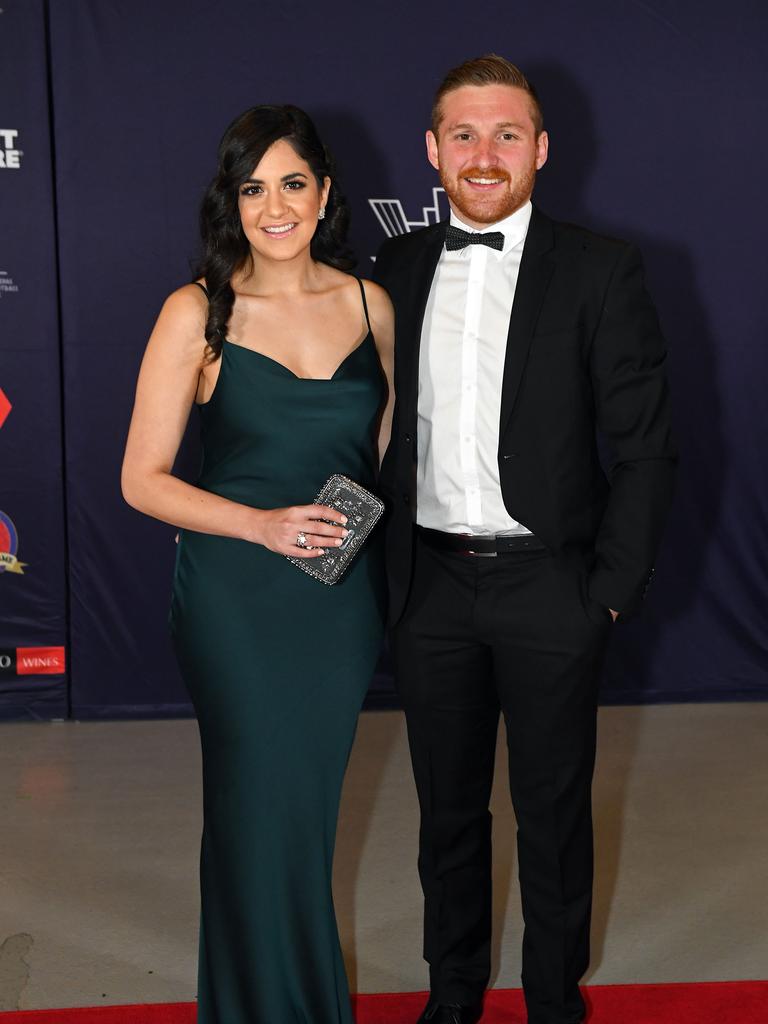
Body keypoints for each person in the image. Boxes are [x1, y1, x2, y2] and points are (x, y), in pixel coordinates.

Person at [373, 55, 676, 1024]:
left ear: (541, 149)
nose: (485, 153)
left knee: (552, 819)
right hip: (429, 589)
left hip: (553, 585)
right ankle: (452, 995)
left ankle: (555, 1001)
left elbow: (645, 447)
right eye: (463, 133)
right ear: (431, 150)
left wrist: (609, 590)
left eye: (507, 133)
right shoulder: (395, 269)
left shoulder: (600, 268)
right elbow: (367, 428)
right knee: (447, 817)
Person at [121, 104, 393, 1023]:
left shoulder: (370, 304)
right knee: (252, 814)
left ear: (324, 193)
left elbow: (385, 451)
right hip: (237, 598)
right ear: (229, 202)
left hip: (337, 604)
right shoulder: (197, 309)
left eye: (292, 183)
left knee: (304, 821)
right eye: (252, 187)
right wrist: (262, 526)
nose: (273, 207)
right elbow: (142, 480)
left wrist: (354, 523)